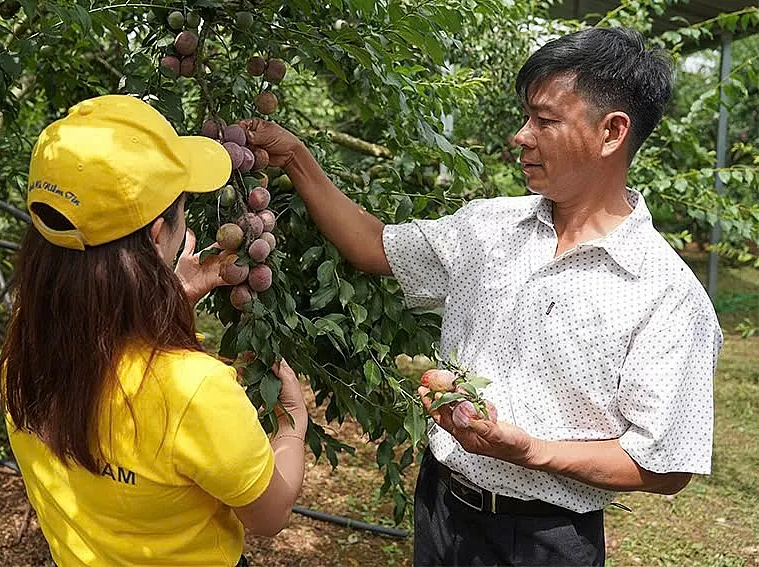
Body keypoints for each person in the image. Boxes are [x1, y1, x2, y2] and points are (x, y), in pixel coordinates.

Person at [241, 27, 722, 566]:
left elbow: (664, 466)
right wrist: (297, 159)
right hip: (442, 504)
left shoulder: (665, 293)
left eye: (544, 120)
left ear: (611, 132)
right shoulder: (489, 228)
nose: (521, 135)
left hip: (543, 541)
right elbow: (375, 246)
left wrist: (529, 451)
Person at [0, 94, 308, 567]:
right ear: (158, 233)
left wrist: (175, 297)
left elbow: (108, 358)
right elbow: (269, 515)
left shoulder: (25, 353)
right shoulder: (193, 391)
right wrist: (291, 425)